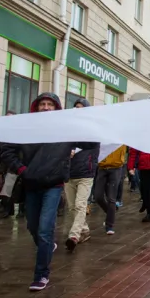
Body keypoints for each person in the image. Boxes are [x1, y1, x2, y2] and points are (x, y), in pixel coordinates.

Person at [0, 93, 96, 291]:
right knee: (33, 227)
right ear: (36, 107)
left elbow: (91, 142)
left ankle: (41, 274)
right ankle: (47, 246)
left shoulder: (65, 130)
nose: (45, 107)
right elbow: (6, 150)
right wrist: (21, 169)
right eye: (42, 104)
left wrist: (84, 121)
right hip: (31, 185)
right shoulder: (25, 128)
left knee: (45, 229)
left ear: (56, 109)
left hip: (53, 186)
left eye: (50, 105)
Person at [64, 98, 98, 252]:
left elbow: (90, 143)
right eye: (76, 107)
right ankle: (84, 231)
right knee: (72, 207)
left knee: (80, 205)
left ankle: (74, 236)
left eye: (81, 107)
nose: (78, 110)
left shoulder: (92, 129)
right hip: (69, 173)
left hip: (86, 174)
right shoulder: (69, 128)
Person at [95, 145, 127, 234]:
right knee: (98, 196)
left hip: (116, 167)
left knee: (111, 198)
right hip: (102, 167)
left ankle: (109, 225)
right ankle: (110, 212)